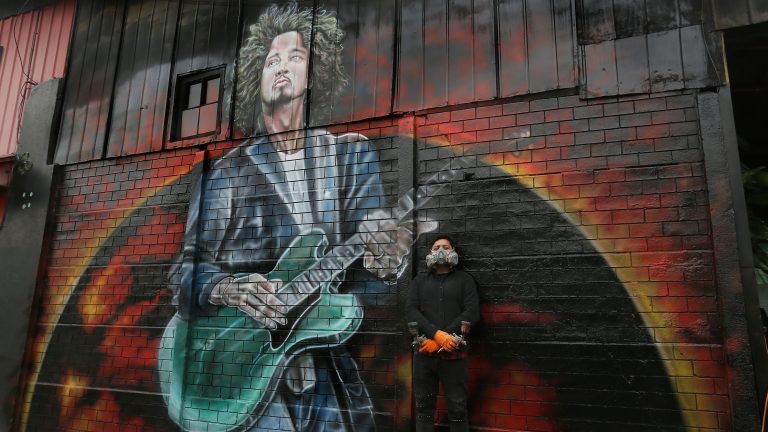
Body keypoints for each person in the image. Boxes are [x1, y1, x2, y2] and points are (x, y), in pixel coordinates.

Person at [168, 2, 411, 431]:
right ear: (256, 78)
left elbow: (369, 286)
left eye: (295, 57)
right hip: (248, 373)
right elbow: (184, 273)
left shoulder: (351, 156)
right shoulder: (226, 175)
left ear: (314, 74)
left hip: (328, 374)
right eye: (271, 61)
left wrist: (387, 264)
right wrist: (228, 288)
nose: (281, 66)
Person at [406, 235, 480, 432]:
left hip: (454, 356)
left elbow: (472, 312)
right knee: (423, 409)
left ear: (453, 251)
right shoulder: (418, 281)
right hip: (424, 355)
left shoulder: (465, 280)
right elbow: (411, 312)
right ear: (430, 253)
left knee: (457, 409)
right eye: (436, 247)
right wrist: (436, 334)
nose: (440, 250)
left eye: (446, 247)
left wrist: (439, 339)